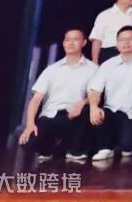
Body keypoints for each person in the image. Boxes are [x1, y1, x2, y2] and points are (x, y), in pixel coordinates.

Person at [20, 29, 95, 162]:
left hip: (74, 117)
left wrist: (83, 102)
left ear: (84, 43)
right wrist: (30, 124)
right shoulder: (52, 69)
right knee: (28, 142)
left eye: (75, 39)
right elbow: (36, 99)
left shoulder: (93, 69)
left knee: (86, 113)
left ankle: (73, 150)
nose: (70, 43)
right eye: (67, 40)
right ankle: (51, 149)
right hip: (50, 116)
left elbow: (96, 94)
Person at [88, 26, 132, 160]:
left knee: (127, 146)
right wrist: (93, 107)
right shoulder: (108, 65)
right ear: (116, 43)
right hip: (111, 111)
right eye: (121, 40)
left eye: (130, 39)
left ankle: (128, 145)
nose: (126, 43)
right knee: (98, 113)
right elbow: (95, 89)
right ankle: (105, 148)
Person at [90, 0, 132, 64]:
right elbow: (97, 41)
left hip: (131, 54)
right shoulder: (104, 15)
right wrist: (95, 63)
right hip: (109, 54)